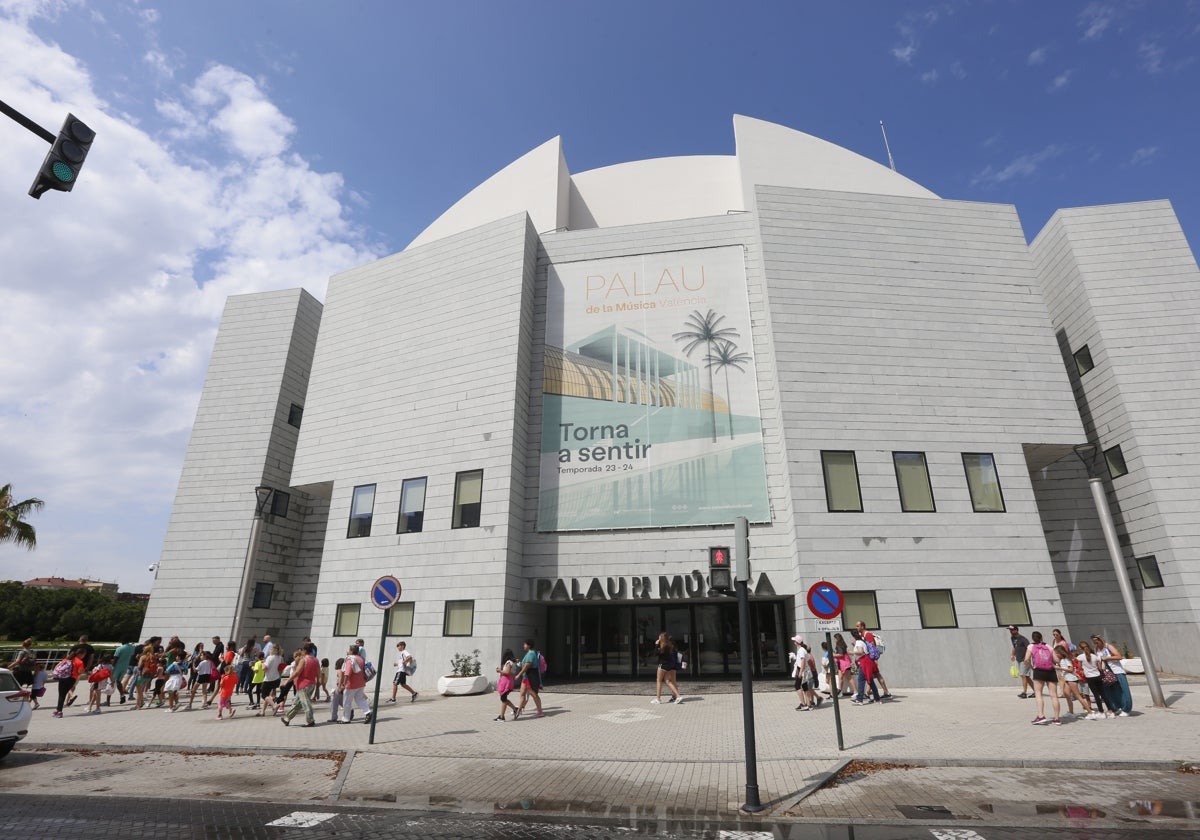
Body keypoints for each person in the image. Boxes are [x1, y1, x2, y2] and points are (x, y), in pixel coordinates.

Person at [1024, 631, 1062, 725]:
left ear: (1033, 638)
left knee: (1038, 693)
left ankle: (1041, 716)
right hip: (1050, 671)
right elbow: (1056, 660)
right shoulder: (1048, 646)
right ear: (1042, 637)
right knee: (1054, 695)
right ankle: (1057, 719)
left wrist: (1032, 667)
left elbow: (1026, 659)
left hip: (1039, 671)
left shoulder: (1031, 646)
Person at [1091, 634, 1132, 716]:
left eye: (1096, 642)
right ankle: (1115, 708)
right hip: (1105, 673)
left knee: (1122, 691)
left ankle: (1126, 709)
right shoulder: (1096, 649)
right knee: (1109, 692)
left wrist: (1107, 658)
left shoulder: (1108, 647)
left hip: (1117, 671)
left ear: (1100, 640)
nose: (1096, 644)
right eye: (1094, 642)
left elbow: (1119, 656)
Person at [1074, 640, 1114, 719]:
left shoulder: (1080, 657)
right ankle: (1110, 711)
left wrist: (1085, 670)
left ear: (1080, 648)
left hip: (1090, 678)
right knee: (1103, 694)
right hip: (1098, 676)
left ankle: (1101, 712)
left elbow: (1079, 668)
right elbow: (1100, 668)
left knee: (1096, 695)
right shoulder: (1094, 656)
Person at [282, 648, 319, 727]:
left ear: (305, 651)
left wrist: (287, 680)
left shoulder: (304, 660)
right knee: (297, 703)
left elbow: (297, 673)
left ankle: (310, 720)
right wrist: (318, 682)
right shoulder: (315, 660)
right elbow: (318, 672)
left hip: (304, 685)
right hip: (311, 684)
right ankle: (287, 718)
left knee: (305, 703)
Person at [854, 621, 891, 698]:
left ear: (862, 626)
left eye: (858, 626)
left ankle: (886, 693)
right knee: (871, 675)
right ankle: (868, 693)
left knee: (877, 675)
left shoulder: (868, 635)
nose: (856, 628)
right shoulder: (863, 635)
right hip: (869, 659)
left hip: (871, 659)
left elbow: (872, 648)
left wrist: (874, 660)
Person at [1054, 643, 1091, 718]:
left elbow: (1071, 669)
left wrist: (1060, 668)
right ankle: (1071, 712)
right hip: (1067, 678)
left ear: (1060, 653)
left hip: (1071, 678)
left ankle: (1090, 712)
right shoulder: (1062, 660)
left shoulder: (1066, 659)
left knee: (1078, 695)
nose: (1056, 655)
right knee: (1067, 694)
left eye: (1056, 653)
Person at [340, 645, 371, 724]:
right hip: (361, 683)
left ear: (351, 651)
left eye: (348, 650)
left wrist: (343, 684)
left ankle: (346, 719)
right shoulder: (361, 659)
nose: (347, 651)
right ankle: (368, 712)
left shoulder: (350, 659)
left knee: (347, 702)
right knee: (359, 699)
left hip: (351, 684)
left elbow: (347, 673)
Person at [515, 639, 546, 718]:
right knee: (522, 694)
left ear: (529, 645)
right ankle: (519, 710)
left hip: (529, 677)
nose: (523, 646)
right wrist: (520, 663)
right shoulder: (530, 653)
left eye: (525, 644)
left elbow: (527, 666)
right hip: (526, 677)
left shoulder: (531, 653)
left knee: (534, 694)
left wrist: (519, 674)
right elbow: (524, 664)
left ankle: (540, 711)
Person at [849, 629, 881, 705]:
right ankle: (877, 699)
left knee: (861, 680)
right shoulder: (861, 641)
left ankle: (859, 699)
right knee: (870, 681)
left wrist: (851, 652)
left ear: (853, 636)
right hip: (867, 661)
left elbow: (860, 652)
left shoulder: (858, 642)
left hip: (864, 662)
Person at [789, 636, 819, 710]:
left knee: (797, 686)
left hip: (802, 670)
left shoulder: (801, 650)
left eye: (795, 641)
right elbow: (805, 659)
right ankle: (808, 705)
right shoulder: (803, 650)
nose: (794, 642)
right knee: (805, 687)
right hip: (805, 670)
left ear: (797, 642)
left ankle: (803, 704)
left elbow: (803, 661)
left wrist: (800, 672)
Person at [494, 648, 519, 721]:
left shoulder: (509, 662)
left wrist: (499, 671)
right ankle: (512, 710)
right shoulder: (512, 662)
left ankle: (503, 716)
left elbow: (507, 672)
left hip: (506, 681)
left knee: (503, 698)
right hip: (508, 680)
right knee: (503, 698)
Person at [1008, 625, 1033, 698]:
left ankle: (1024, 692)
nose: (1010, 631)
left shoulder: (1023, 639)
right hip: (1018, 659)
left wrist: (1027, 658)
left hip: (1024, 659)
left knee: (1023, 675)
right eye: (1010, 630)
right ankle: (1036, 691)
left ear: (1016, 630)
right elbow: (1014, 646)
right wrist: (1013, 654)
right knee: (1026, 677)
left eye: (1012, 630)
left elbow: (1029, 648)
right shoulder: (1013, 638)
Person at [111, 638, 137, 704]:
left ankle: (108, 700)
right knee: (119, 682)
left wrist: (111, 667)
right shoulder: (132, 648)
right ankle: (122, 695)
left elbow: (115, 659)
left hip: (117, 667)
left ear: (122, 641)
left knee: (112, 682)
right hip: (125, 666)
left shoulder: (119, 649)